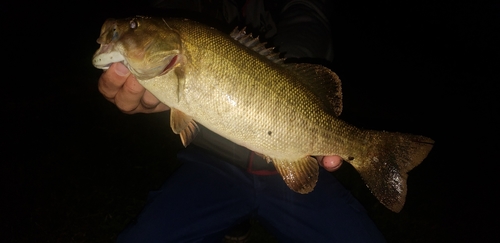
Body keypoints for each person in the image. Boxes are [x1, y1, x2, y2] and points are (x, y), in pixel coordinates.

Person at [99, 0, 386, 242]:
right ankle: (230, 216)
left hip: (281, 170)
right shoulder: (178, 25)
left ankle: (366, 150)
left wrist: (284, 78)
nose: (128, 29)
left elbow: (308, 14)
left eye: (134, 25)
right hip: (215, 163)